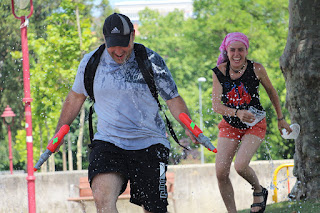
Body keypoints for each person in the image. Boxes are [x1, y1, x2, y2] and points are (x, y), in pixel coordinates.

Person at [53, 13, 196, 213]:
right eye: (113, 45)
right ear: (104, 39)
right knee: (102, 197)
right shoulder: (90, 63)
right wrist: (59, 132)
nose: (119, 51)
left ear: (133, 36)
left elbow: (172, 99)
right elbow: (76, 97)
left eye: (123, 44)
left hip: (150, 143)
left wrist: (189, 126)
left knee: (155, 209)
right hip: (109, 142)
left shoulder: (151, 60)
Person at [211, 32, 292, 213]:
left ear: (246, 50)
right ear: (227, 50)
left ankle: (258, 189)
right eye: (232, 50)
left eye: (241, 49)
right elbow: (216, 106)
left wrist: (280, 119)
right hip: (230, 125)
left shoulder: (257, 69)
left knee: (240, 166)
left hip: (255, 123)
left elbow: (272, 92)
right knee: (221, 173)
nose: (237, 54)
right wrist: (237, 113)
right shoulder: (219, 72)